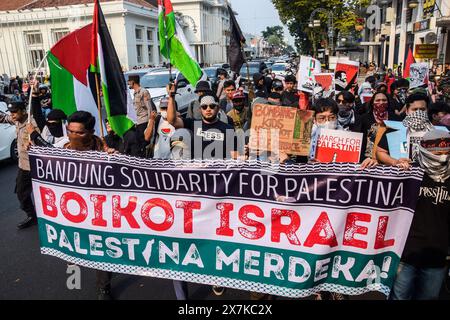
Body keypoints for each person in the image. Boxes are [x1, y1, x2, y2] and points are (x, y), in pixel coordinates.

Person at [389, 129, 450, 300]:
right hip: (406, 253)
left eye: (446, 150)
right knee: (399, 297)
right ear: (424, 148)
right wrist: (370, 165)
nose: (442, 154)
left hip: (437, 255)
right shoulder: (409, 172)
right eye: (436, 149)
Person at [167, 84, 238, 161]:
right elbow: (172, 121)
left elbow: (234, 155)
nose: (208, 109)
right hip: (197, 170)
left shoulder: (228, 129)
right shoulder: (192, 124)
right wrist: (171, 97)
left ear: (217, 108)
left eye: (212, 106)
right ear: (200, 109)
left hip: (218, 170)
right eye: (204, 107)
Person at [0, 101, 40, 229]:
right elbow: (3, 118)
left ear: (23, 111)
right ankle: (32, 216)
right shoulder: (16, 120)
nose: (12, 115)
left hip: (38, 167)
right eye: (11, 112)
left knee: (45, 194)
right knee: (21, 193)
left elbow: (43, 143)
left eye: (15, 112)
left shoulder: (32, 123)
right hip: (24, 166)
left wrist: (33, 140)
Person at [376, 93, 433, 166]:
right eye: (415, 109)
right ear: (407, 111)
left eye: (422, 109)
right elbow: (380, 152)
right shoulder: (395, 129)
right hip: (401, 174)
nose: (418, 113)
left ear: (427, 110)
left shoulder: (437, 132)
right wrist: (395, 162)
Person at [128, 74, 152, 156]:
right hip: (138, 122)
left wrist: (150, 123)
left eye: (129, 81)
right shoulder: (135, 93)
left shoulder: (144, 92)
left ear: (133, 82)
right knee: (139, 144)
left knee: (144, 144)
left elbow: (149, 108)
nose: (128, 83)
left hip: (144, 121)